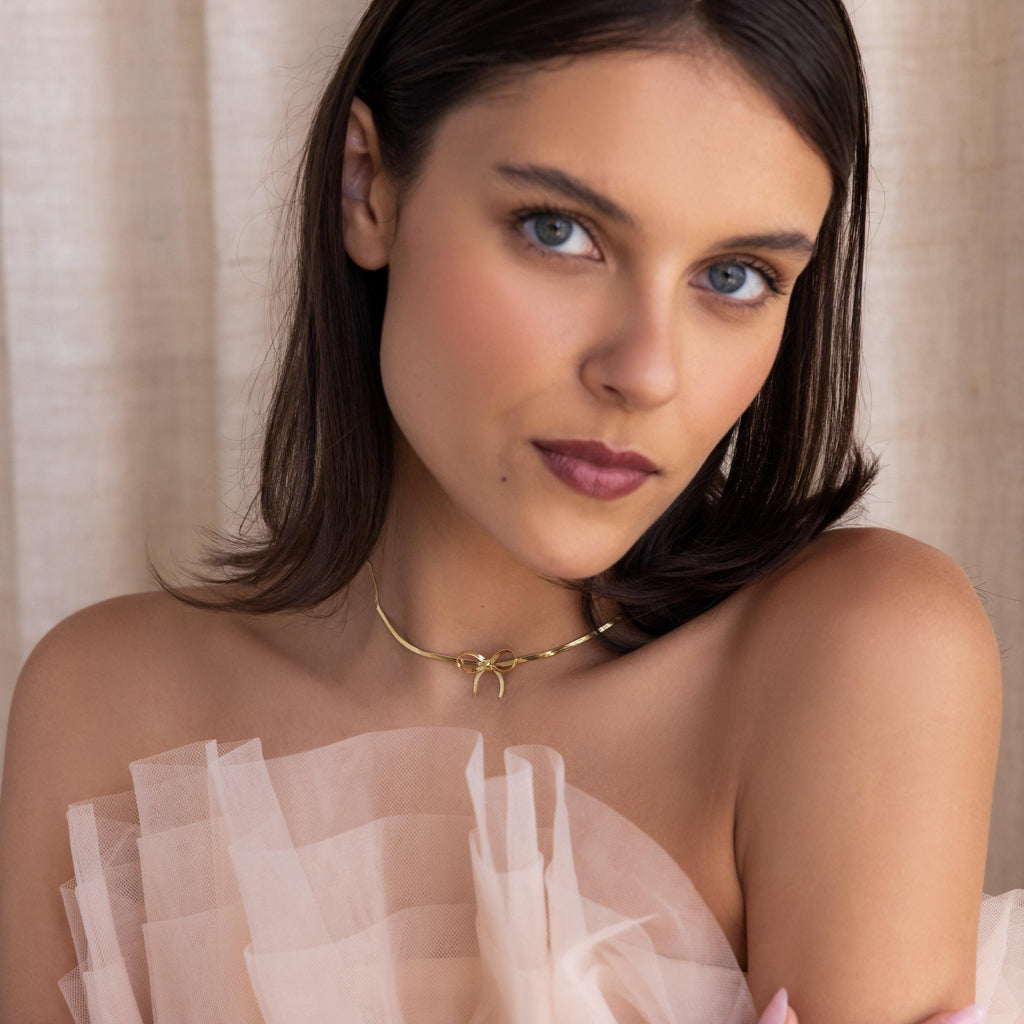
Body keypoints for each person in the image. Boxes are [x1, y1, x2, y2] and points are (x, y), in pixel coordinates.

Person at [0, 0, 1019, 1021]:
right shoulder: (104, 710)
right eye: (559, 230)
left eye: (734, 276)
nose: (645, 371)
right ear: (368, 188)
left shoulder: (855, 658)